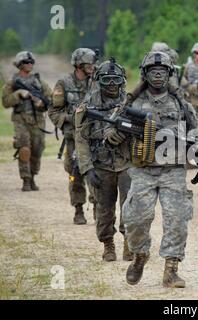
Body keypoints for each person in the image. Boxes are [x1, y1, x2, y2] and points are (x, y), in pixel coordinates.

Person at [122, 51, 198, 288]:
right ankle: (139, 256)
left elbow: (196, 132)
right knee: (135, 219)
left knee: (177, 219)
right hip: (142, 170)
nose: (158, 74)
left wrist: (197, 148)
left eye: (163, 70)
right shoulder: (132, 103)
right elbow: (115, 133)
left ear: (169, 74)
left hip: (172, 170)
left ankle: (171, 269)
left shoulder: (179, 102)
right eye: (153, 70)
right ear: (145, 74)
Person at [74, 58, 133, 262]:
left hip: (127, 162)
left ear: (122, 81)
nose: (111, 84)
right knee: (104, 209)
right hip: (101, 165)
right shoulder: (87, 106)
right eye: (106, 80)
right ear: (99, 81)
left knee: (131, 206)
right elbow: (80, 140)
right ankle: (108, 244)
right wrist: (87, 169)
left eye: (115, 80)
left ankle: (129, 242)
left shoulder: (131, 103)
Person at [48, 48, 97, 224]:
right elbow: (53, 112)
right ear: (79, 65)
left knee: (97, 173)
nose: (92, 67)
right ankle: (78, 209)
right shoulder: (64, 83)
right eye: (88, 64)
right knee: (75, 174)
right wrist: (71, 118)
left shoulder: (98, 82)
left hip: (95, 136)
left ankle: (98, 208)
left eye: (93, 63)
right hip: (74, 138)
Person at [2, 51, 52, 191]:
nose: (30, 65)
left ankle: (33, 176)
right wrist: (18, 94)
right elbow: (5, 102)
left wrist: (42, 104)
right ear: (19, 65)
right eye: (26, 62)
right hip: (20, 121)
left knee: (37, 149)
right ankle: (26, 179)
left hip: (38, 121)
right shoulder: (12, 83)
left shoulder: (39, 82)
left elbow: (51, 99)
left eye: (31, 62)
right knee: (24, 149)